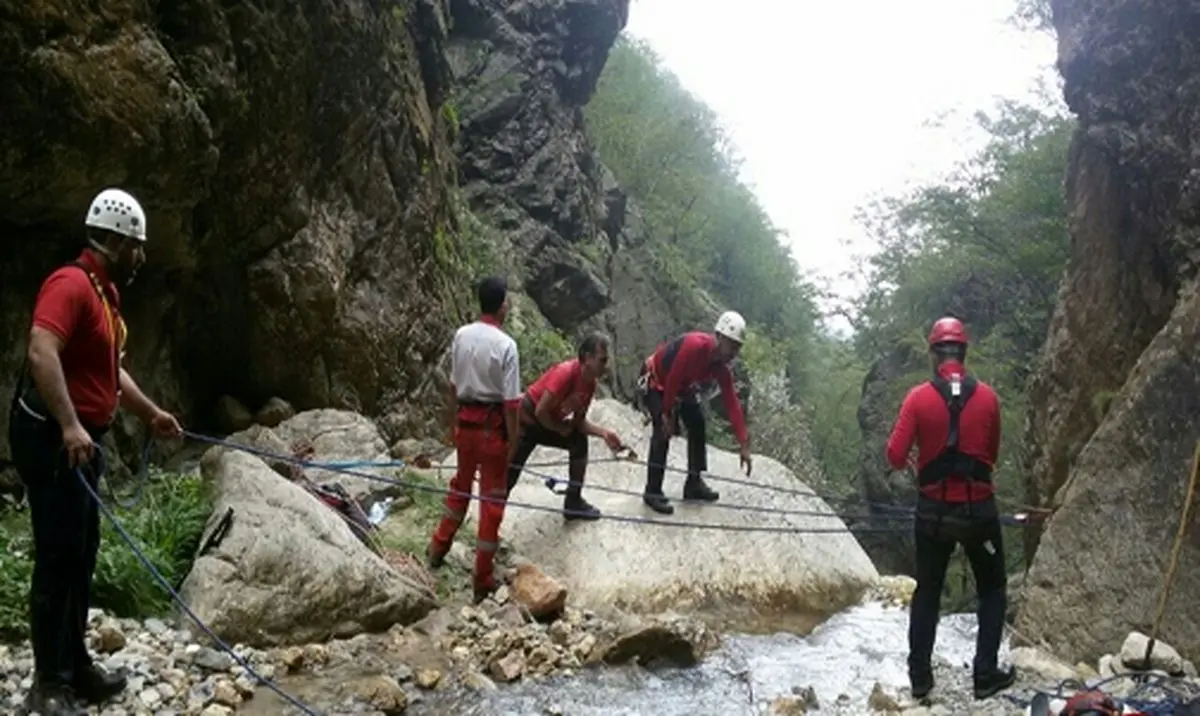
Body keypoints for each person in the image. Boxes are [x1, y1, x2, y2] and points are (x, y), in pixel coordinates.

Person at [8, 188, 183, 715]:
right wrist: (68, 425)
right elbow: (42, 349)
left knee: (81, 554)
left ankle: (76, 664)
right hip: (55, 439)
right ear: (113, 240)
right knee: (58, 557)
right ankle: (48, 685)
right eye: (136, 245)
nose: (142, 257)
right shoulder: (70, 286)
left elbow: (112, 372)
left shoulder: (104, 297)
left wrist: (149, 413)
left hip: (82, 442)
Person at [885, 316, 1016, 701]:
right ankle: (985, 674)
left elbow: (894, 456)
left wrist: (920, 462)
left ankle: (921, 679)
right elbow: (990, 456)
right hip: (978, 512)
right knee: (992, 588)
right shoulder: (989, 398)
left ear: (934, 354)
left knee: (928, 591)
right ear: (963, 351)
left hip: (933, 514)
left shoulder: (917, 398)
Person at [426, 276, 521, 603]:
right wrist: (514, 439)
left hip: (465, 424)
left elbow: (453, 386)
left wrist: (452, 423)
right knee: (492, 502)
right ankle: (482, 578)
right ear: (502, 304)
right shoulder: (506, 345)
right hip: (492, 428)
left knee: (460, 487)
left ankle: (438, 547)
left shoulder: (461, 335)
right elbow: (511, 403)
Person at [638, 310, 752, 515]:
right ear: (719, 337)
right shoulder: (694, 345)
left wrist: (743, 443)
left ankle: (693, 483)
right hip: (656, 380)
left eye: (737, 347)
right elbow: (672, 377)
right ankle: (652, 491)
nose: (733, 352)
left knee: (697, 423)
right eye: (732, 345)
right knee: (662, 432)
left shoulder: (721, 368)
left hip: (681, 387)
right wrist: (667, 414)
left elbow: (732, 403)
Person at [505, 332, 626, 521]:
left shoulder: (589, 385)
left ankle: (573, 502)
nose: (606, 365)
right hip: (527, 420)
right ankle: (492, 515)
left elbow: (579, 424)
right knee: (510, 472)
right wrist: (559, 428)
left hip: (546, 422)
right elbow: (540, 411)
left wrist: (604, 433)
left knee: (579, 442)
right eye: (602, 360)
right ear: (587, 358)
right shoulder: (565, 373)